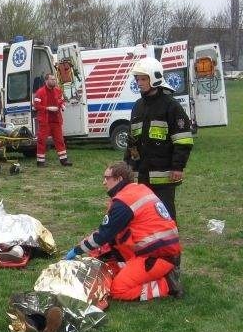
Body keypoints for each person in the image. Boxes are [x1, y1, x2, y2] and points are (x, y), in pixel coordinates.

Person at [64, 161, 183, 301]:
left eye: (107, 178)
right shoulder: (139, 190)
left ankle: (167, 284)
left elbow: (102, 236)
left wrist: (76, 250)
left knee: (117, 290)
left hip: (156, 256)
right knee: (112, 263)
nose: (104, 182)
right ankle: (153, 273)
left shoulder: (124, 202)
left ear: (119, 179)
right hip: (160, 250)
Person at [124, 57, 193, 222]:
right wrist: (128, 166)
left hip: (164, 174)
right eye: (137, 79)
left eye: (143, 79)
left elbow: (183, 140)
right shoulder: (138, 106)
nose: (139, 83)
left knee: (165, 214)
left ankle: (170, 245)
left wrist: (178, 167)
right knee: (144, 214)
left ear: (154, 78)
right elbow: (132, 140)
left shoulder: (171, 106)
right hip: (142, 173)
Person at [33, 72, 72, 167]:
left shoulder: (58, 90)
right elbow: (36, 105)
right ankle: (40, 162)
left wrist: (62, 105)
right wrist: (47, 108)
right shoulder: (40, 92)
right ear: (46, 81)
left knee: (60, 140)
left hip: (56, 120)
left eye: (54, 79)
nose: (54, 81)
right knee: (42, 140)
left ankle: (64, 160)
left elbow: (61, 100)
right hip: (45, 121)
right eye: (52, 79)